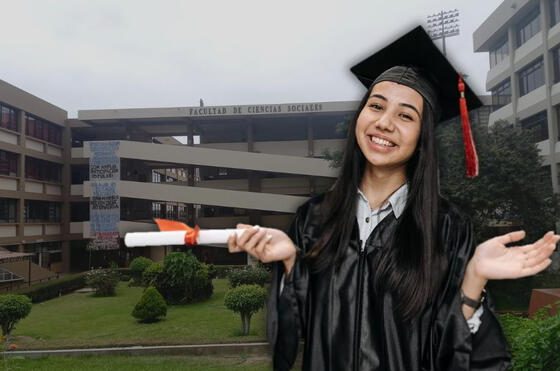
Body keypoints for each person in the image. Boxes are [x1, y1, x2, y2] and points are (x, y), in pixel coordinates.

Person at [227, 26, 559, 371]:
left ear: (422, 137)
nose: (384, 123)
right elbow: (303, 329)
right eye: (376, 106)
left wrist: (474, 278)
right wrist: (291, 263)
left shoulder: (446, 227)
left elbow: (452, 349)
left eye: (405, 115)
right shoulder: (314, 218)